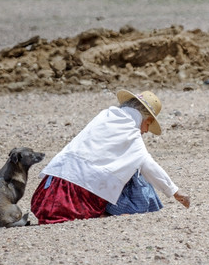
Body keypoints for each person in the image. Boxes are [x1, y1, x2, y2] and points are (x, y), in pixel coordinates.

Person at [30, 90, 191, 224]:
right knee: (136, 174)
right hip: (77, 196)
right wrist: (175, 192)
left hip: (50, 189)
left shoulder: (105, 115)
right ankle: (106, 214)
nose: (146, 130)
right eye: (148, 124)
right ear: (144, 118)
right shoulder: (131, 133)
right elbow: (148, 165)